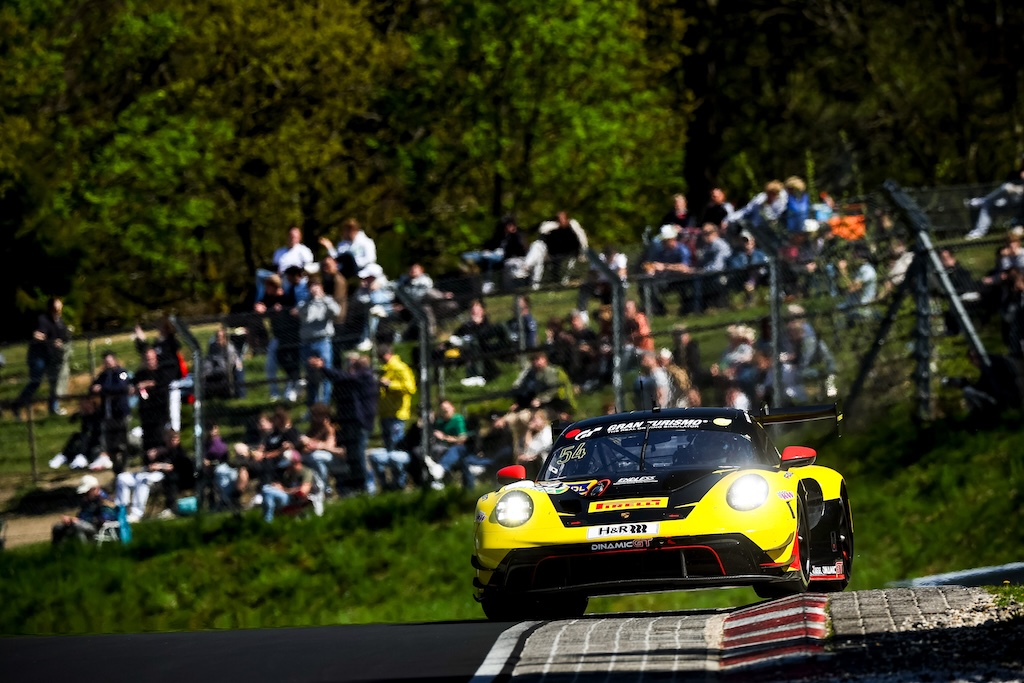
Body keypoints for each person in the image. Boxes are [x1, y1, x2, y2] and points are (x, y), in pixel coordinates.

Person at [312, 352, 378, 495]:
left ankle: (365, 487)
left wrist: (323, 368)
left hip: (360, 423)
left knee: (359, 455)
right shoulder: (350, 380)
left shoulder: (364, 375)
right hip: (349, 423)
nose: (349, 365)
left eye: (352, 362)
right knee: (351, 455)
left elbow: (343, 377)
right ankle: (354, 487)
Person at [11, 296, 70, 418]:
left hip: (52, 356)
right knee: (36, 382)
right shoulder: (42, 319)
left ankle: (53, 408)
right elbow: (38, 335)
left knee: (55, 381)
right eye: (56, 307)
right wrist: (51, 341)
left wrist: (60, 342)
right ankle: (17, 405)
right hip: (38, 356)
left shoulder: (60, 321)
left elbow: (63, 336)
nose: (58, 309)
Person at [115, 429, 191, 522]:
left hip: (163, 476)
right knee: (122, 478)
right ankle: (122, 511)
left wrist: (160, 466)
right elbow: (146, 463)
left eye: (175, 438)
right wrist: (149, 457)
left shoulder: (179, 451)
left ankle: (136, 514)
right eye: (170, 438)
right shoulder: (160, 449)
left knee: (143, 480)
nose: (173, 441)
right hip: (147, 472)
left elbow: (173, 467)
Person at [371, 344, 417, 491]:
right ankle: (391, 484)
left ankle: (400, 482)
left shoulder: (400, 368)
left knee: (396, 449)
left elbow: (410, 388)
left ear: (387, 355)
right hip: (385, 414)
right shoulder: (386, 370)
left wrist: (390, 384)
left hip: (397, 414)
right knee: (388, 450)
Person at [254, 273, 301, 403]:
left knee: (291, 361)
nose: (266, 290)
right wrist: (260, 306)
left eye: (268, 286)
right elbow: (262, 305)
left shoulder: (286, 295)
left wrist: (283, 310)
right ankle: (275, 392)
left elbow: (293, 309)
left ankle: (294, 385)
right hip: (277, 336)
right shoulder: (268, 297)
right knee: (272, 364)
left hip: (292, 335)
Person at [297, 275, 342, 405]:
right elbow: (306, 317)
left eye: (315, 286)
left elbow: (336, 312)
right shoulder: (303, 303)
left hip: (323, 341)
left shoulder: (328, 300)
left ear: (321, 287)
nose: (313, 289)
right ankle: (312, 406)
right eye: (311, 287)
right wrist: (312, 302)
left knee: (326, 373)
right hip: (307, 343)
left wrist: (323, 299)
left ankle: (324, 405)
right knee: (311, 376)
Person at [89, 350, 133, 472]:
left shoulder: (121, 373)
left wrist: (103, 389)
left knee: (123, 441)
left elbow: (122, 387)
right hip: (108, 415)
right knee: (110, 444)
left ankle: (124, 465)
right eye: (105, 362)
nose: (107, 364)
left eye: (109, 361)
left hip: (120, 413)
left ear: (114, 360)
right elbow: (93, 387)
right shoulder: (103, 375)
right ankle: (116, 466)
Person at [641, 225, 694, 316]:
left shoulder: (682, 249)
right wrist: (650, 267)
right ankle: (658, 310)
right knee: (646, 286)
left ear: (672, 239)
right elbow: (653, 262)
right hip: (665, 280)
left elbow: (685, 268)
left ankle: (686, 310)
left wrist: (665, 266)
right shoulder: (661, 251)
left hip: (680, 281)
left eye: (665, 240)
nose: (663, 243)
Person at [966, 158, 1024, 240]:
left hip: (1021, 203)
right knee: (988, 205)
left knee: (1007, 188)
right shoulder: (1014, 174)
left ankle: (982, 200)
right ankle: (979, 232)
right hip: (1010, 201)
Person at [463, 215, 528, 287]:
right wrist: (487, 250)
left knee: (488, 258)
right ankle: (473, 275)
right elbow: (491, 244)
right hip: (492, 253)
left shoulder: (517, 235)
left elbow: (520, 249)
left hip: (503, 256)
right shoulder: (500, 235)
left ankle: (488, 283)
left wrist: (514, 234)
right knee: (468, 256)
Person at [52, 475, 118, 545]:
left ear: (96, 489)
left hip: (101, 528)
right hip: (86, 524)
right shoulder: (88, 501)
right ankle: (58, 553)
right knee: (57, 527)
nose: (84, 495)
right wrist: (71, 520)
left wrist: (79, 521)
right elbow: (81, 515)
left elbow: (103, 519)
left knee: (77, 525)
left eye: (87, 492)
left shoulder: (104, 500)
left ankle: (83, 550)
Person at [255, 226, 316, 302]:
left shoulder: (304, 250)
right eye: (291, 236)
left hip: (298, 278)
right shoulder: (279, 252)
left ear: (299, 238)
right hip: (282, 277)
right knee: (259, 273)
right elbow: (275, 268)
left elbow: (309, 267)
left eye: (295, 237)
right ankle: (258, 302)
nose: (292, 239)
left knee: (299, 283)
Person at [133, 347, 173, 453]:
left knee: (160, 436)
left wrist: (148, 384)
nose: (149, 362)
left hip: (159, 411)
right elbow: (132, 386)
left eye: (151, 359)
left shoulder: (161, 372)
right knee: (147, 438)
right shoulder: (140, 374)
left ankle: (160, 458)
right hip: (145, 412)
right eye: (146, 359)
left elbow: (162, 384)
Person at [299, 403, 345, 494]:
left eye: (316, 416)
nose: (313, 418)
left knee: (315, 456)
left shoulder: (330, 428)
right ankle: (323, 489)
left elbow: (330, 446)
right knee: (312, 459)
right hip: (318, 458)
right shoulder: (314, 429)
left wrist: (317, 445)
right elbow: (306, 447)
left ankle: (324, 488)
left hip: (335, 458)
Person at [261, 448, 316, 522]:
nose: (287, 467)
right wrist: (278, 487)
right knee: (268, 492)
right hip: (289, 498)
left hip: (301, 500)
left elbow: (303, 492)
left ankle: (267, 520)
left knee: (266, 490)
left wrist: (283, 490)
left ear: (295, 462)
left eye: (289, 465)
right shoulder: (287, 474)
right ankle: (268, 520)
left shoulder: (306, 472)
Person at [426, 400, 470, 487]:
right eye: (442, 410)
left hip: (459, 449)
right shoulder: (440, 422)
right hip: (443, 448)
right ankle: (438, 480)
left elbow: (462, 439)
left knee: (455, 449)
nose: (445, 411)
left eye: (447, 409)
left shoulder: (458, 419)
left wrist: (444, 438)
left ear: (453, 408)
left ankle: (440, 468)